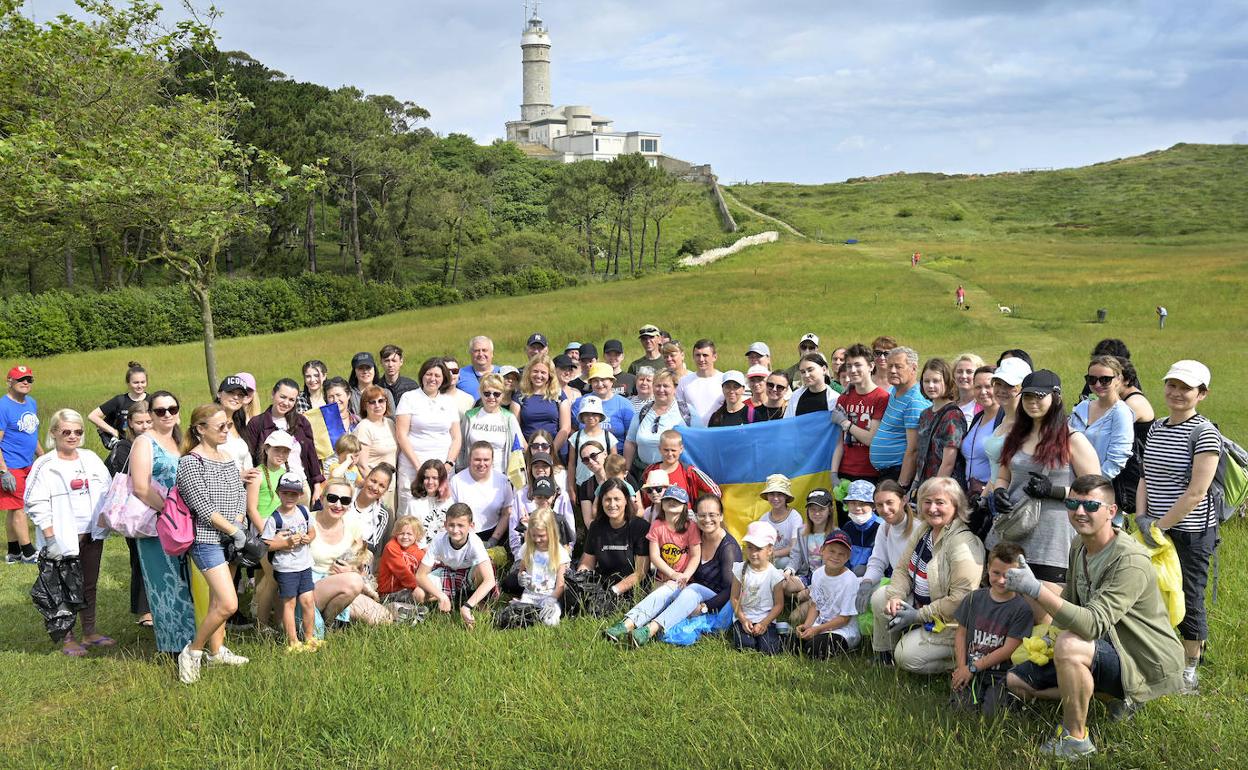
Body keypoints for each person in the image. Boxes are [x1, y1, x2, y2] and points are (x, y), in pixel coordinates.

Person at [1005, 474, 1185, 760]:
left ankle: (1076, 739)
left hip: (1140, 657)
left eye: (1090, 505)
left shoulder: (1130, 561)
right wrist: (1047, 640)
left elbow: (1091, 623)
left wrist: (1035, 589)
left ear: (1111, 512)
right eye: (1072, 503)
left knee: (1070, 646)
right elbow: (1069, 602)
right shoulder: (1079, 544)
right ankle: (1109, 696)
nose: (1079, 511)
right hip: (1100, 644)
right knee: (1016, 681)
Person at [1136, 359, 1220, 693]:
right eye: (1172, 385)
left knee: (1189, 595)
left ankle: (1189, 668)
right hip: (1154, 527)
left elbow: (1197, 492)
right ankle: (1159, 653)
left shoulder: (1205, 433)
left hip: (1191, 532)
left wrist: (1159, 526)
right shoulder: (1157, 426)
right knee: (1152, 592)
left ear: (1202, 394)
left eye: (1186, 388)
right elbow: (1144, 475)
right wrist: (1143, 518)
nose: (1176, 392)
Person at [990, 370, 1100, 607]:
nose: (1033, 403)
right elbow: (1003, 475)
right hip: (1014, 532)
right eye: (1028, 397)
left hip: (1053, 541)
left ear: (1056, 397)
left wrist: (1054, 491)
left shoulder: (1073, 439)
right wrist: (999, 491)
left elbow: (1097, 490)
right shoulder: (1016, 435)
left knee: (1046, 616)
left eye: (1040, 397)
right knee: (1010, 610)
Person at [871, 477, 984, 673]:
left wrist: (918, 615)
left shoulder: (963, 544)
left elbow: (961, 600)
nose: (932, 509)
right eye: (927, 501)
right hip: (922, 606)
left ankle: (959, 659)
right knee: (882, 597)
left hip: (951, 623)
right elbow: (902, 568)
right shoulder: (925, 529)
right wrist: (896, 596)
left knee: (906, 656)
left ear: (956, 505)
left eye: (940, 502)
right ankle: (885, 655)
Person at [24, 408, 112, 656]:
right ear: (53, 432)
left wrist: (105, 522)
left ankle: (90, 632)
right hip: (61, 538)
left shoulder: (91, 459)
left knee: (89, 585)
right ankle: (68, 639)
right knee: (62, 588)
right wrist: (50, 539)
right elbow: (35, 504)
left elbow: (107, 491)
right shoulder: (45, 465)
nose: (72, 436)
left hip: (92, 534)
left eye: (78, 431)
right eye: (66, 431)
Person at [175, 404, 250, 684]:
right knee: (229, 604)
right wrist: (235, 530)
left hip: (230, 538)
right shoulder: (190, 463)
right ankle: (193, 652)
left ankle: (216, 652)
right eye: (220, 426)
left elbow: (238, 492)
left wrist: (239, 523)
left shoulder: (227, 457)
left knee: (219, 600)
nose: (226, 431)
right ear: (200, 429)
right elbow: (203, 509)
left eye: (228, 426)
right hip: (207, 541)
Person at [605, 493, 742, 646]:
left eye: (712, 515)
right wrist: (673, 578)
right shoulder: (696, 534)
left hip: (717, 602)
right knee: (671, 587)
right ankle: (626, 624)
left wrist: (705, 607)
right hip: (692, 592)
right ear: (695, 516)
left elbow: (732, 589)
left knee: (692, 589)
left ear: (721, 516)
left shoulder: (728, 548)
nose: (707, 519)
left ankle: (650, 630)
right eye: (702, 515)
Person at [129, 391, 194, 654]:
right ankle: (174, 647)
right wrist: (169, 511)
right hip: (160, 524)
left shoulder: (183, 440)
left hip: (187, 522)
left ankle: (195, 640)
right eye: (160, 410)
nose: (167, 414)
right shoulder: (145, 442)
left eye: (172, 408)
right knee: (166, 583)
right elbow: (140, 487)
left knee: (187, 580)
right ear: (151, 415)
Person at [949, 542, 1033, 715]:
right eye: (996, 573)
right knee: (960, 710)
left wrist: (973, 668)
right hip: (971, 670)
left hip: (1001, 675)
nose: (1002, 580)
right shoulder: (974, 598)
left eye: (1009, 575)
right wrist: (962, 668)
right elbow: (961, 634)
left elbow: (1009, 649)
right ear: (988, 568)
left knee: (992, 714)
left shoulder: (1022, 608)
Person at [104, 401, 154, 627]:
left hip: (158, 506)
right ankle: (145, 611)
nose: (144, 426)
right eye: (139, 422)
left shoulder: (161, 442)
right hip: (135, 513)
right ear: (129, 424)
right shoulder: (124, 447)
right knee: (140, 558)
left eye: (148, 421)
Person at [246, 430, 301, 631]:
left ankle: (277, 619)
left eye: (286, 451)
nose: (281, 454)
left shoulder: (287, 473)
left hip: (283, 529)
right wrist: (267, 534)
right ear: (266, 449)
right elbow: (251, 509)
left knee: (273, 577)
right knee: (273, 577)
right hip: (263, 531)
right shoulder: (258, 474)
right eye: (277, 449)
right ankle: (261, 624)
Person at [260, 472, 321, 653]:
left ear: (300, 495)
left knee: (308, 601)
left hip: (304, 564)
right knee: (290, 603)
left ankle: (310, 638)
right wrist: (285, 543)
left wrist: (308, 538)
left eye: (294, 494)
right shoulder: (274, 518)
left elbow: (312, 531)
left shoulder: (303, 511)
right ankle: (293, 642)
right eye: (285, 493)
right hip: (286, 567)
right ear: (279, 493)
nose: (289, 497)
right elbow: (266, 544)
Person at [394, 357, 462, 513]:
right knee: (409, 512)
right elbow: (401, 435)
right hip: (412, 467)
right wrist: (419, 467)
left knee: (439, 511)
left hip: (442, 469)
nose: (433, 379)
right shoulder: (409, 398)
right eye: (429, 374)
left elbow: (457, 437)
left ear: (444, 378)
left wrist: (448, 465)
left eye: (437, 376)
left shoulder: (449, 402)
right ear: (422, 375)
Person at [415, 502, 498, 628]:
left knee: (484, 571)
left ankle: (474, 601)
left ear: (471, 526)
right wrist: (441, 596)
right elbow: (420, 576)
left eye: (460, 525)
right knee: (418, 594)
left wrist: (467, 607)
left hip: (469, 573)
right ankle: (448, 598)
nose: (455, 530)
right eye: (451, 525)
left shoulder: (475, 542)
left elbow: (489, 580)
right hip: (447, 571)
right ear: (445, 525)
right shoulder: (439, 539)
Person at [245, 378, 324, 499]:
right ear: (273, 394)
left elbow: (311, 455)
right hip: (270, 487)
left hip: (300, 484)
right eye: (283, 397)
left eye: (291, 400)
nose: (286, 403)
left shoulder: (301, 422)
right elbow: (250, 458)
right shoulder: (257, 423)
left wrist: (317, 485)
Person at [577, 478, 650, 606]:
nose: (612, 504)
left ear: (626, 501)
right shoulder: (596, 527)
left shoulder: (640, 527)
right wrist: (579, 579)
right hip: (603, 587)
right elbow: (588, 563)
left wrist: (614, 591)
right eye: (607, 499)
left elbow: (640, 572)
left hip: (632, 591)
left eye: (617, 499)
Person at [309, 479, 369, 628]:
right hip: (308, 587)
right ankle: (328, 624)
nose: (338, 505)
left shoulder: (352, 524)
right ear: (321, 498)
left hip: (340, 585)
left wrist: (352, 570)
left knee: (384, 618)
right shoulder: (307, 521)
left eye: (345, 500)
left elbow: (361, 562)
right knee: (354, 582)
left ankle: (326, 621)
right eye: (332, 498)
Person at [792, 530, 860, 658]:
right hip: (819, 625)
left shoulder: (850, 580)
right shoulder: (818, 574)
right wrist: (807, 626)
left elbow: (844, 619)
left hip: (842, 631)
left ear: (848, 557)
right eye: (832, 551)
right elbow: (815, 605)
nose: (836, 556)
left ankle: (842, 646)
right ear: (822, 550)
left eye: (841, 554)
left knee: (813, 649)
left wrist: (817, 629)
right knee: (792, 642)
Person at [870, 347, 931, 486]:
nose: (892, 371)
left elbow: (914, 449)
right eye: (890, 366)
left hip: (897, 474)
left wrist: (901, 486)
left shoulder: (914, 401)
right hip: (885, 472)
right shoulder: (894, 390)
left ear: (913, 369)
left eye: (898, 367)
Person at [1, 364, 42, 564]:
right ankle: (28, 552)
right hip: (11, 465)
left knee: (13, 507)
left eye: (29, 379)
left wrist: (43, 458)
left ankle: (13, 551)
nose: (25, 382)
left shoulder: (31, 403)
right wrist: (3, 471)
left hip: (28, 463)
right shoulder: (3, 407)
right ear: (10, 382)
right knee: (19, 508)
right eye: (20, 379)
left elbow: (31, 434)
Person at [832, 344, 889, 487]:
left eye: (858, 365)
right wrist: (833, 473)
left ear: (870, 366)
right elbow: (839, 442)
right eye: (849, 365)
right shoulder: (844, 398)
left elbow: (871, 439)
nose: (852, 370)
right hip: (845, 470)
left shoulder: (882, 397)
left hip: (870, 472)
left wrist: (846, 424)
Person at [856, 480, 917, 611]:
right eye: (879, 505)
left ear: (904, 500)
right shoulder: (884, 528)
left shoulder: (918, 528)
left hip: (918, 592)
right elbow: (878, 561)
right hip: (899, 586)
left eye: (890, 502)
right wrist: (866, 582)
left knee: (880, 600)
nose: (885, 509)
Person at [505, 506, 568, 627]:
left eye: (541, 536)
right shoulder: (527, 548)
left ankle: (539, 613)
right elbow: (522, 570)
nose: (537, 540)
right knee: (515, 619)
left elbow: (561, 584)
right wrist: (521, 577)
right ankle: (523, 608)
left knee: (551, 622)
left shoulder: (559, 552)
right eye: (534, 535)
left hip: (549, 596)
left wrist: (552, 599)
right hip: (530, 595)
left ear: (551, 532)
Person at [912, 358, 967, 493]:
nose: (930, 385)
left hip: (943, 488)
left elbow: (948, 462)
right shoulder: (925, 414)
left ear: (947, 382)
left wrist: (934, 491)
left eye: (936, 381)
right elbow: (922, 455)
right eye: (926, 381)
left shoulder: (952, 415)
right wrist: (915, 485)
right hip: (924, 484)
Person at [730, 521, 786, 655]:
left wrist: (764, 623)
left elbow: (779, 604)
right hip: (745, 617)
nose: (753, 553)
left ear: (770, 550)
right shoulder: (740, 569)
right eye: (750, 547)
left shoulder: (774, 574)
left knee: (768, 649)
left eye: (758, 549)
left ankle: (784, 635)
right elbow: (734, 597)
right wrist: (743, 620)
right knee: (746, 646)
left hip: (766, 618)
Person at [623, 371, 688, 482]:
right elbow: (630, 442)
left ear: (674, 388)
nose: (661, 390)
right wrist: (625, 471)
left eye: (666, 386)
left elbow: (699, 440)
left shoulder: (686, 412)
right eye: (657, 385)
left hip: (674, 475)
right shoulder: (643, 412)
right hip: (643, 474)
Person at [982, 357, 1031, 493]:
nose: (1002, 390)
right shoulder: (1003, 419)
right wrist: (982, 501)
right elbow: (995, 474)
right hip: (994, 498)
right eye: (998, 383)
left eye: (1009, 385)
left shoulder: (1027, 424)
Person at [450, 441, 513, 548]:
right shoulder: (456, 481)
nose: (482, 464)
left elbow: (506, 513)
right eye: (477, 459)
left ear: (492, 460)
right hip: (462, 535)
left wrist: (494, 540)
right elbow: (451, 514)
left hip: (494, 534)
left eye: (486, 460)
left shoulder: (503, 481)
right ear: (470, 460)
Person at [460, 373, 524, 476]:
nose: (491, 397)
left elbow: (517, 449)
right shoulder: (470, 416)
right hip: (472, 474)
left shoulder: (509, 418)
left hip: (500, 475)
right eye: (487, 393)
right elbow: (461, 446)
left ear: (502, 395)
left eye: (496, 394)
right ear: (481, 393)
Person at [640, 430, 720, 508]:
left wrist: (701, 510)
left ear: (681, 449)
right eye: (666, 450)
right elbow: (641, 498)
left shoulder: (689, 471)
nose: (670, 454)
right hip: (656, 519)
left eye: (673, 450)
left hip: (685, 519)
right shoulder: (650, 471)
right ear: (659, 448)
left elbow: (715, 492)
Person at [515, 354, 572, 457]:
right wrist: (529, 453)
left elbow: (566, 428)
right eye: (535, 371)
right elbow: (515, 428)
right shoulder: (519, 396)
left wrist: (551, 451)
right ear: (529, 372)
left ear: (549, 375)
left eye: (543, 372)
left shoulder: (558, 395)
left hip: (555, 452)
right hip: (527, 452)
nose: (539, 376)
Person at [566, 396, 617, 506]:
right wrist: (571, 488)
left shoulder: (608, 437)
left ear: (600, 416)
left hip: (605, 483)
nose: (591, 417)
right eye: (587, 414)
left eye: (594, 413)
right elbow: (571, 464)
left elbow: (615, 463)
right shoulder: (576, 437)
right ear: (582, 416)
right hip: (582, 484)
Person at [960, 366, 1001, 502]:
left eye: (988, 386)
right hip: (971, 493)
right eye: (978, 387)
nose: (983, 392)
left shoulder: (1004, 420)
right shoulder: (978, 417)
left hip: (989, 496)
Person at [354, 384, 397, 510]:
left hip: (391, 486)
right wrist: (377, 489)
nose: (377, 405)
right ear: (365, 405)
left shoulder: (390, 423)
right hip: (375, 489)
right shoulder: (364, 427)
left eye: (381, 401)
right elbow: (362, 465)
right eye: (372, 402)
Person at [87, 360, 150, 449]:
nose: (140, 386)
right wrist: (113, 431)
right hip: (124, 448)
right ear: (128, 383)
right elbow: (92, 416)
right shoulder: (120, 400)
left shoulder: (153, 400)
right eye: (135, 382)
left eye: (142, 382)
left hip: (149, 446)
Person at [571, 363, 635, 447]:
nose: (600, 384)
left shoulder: (625, 405)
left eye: (603, 380)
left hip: (616, 456)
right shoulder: (580, 402)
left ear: (612, 381)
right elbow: (573, 431)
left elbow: (630, 438)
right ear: (590, 383)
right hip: (586, 456)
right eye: (595, 380)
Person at [348, 464, 396, 562]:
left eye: (381, 486)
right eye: (373, 481)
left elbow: (373, 547)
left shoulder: (383, 514)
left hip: (358, 560)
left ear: (386, 491)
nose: (375, 487)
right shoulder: (346, 496)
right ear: (366, 478)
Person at [376, 515, 426, 604]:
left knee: (432, 588)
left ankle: (412, 609)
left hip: (408, 589)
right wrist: (415, 587)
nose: (405, 537)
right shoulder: (391, 547)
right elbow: (401, 571)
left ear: (417, 536)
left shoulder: (418, 552)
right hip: (389, 593)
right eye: (401, 533)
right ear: (396, 533)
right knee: (421, 594)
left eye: (409, 534)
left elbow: (426, 568)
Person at [757, 474, 802, 570]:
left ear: (786, 496)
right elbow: (759, 544)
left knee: (784, 562)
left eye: (779, 494)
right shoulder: (763, 519)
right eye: (772, 494)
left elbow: (794, 547)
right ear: (767, 496)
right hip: (768, 561)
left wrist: (772, 554)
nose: (775, 498)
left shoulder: (795, 517)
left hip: (790, 563)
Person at [405, 458, 453, 548]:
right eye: (427, 478)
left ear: (442, 480)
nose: (430, 482)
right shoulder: (414, 503)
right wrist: (427, 553)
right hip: (422, 550)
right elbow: (414, 533)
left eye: (435, 478)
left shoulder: (448, 501)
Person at [214, 376, 256, 474]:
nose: (236, 397)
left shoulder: (241, 424)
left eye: (240, 395)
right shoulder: (209, 422)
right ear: (219, 394)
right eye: (231, 392)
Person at [841, 479, 883, 575]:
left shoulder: (881, 527)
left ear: (873, 506)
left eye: (862, 503)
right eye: (853, 503)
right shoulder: (848, 527)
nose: (857, 508)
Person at [783, 353, 838, 417]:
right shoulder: (795, 396)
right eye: (803, 372)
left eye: (810, 370)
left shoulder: (835, 399)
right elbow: (788, 422)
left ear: (824, 369)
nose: (806, 375)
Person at [347, 351, 394, 417]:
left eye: (368, 368)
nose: (365, 371)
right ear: (355, 372)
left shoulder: (386, 393)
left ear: (374, 370)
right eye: (361, 368)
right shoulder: (349, 395)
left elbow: (392, 419)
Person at [458, 335, 500, 401]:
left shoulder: (502, 373)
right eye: (476, 351)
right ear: (471, 353)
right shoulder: (459, 374)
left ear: (492, 353)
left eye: (484, 350)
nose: (481, 354)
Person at [951, 353, 984, 423]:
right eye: (959, 371)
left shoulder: (984, 407)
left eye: (969, 372)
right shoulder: (948, 406)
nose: (963, 376)